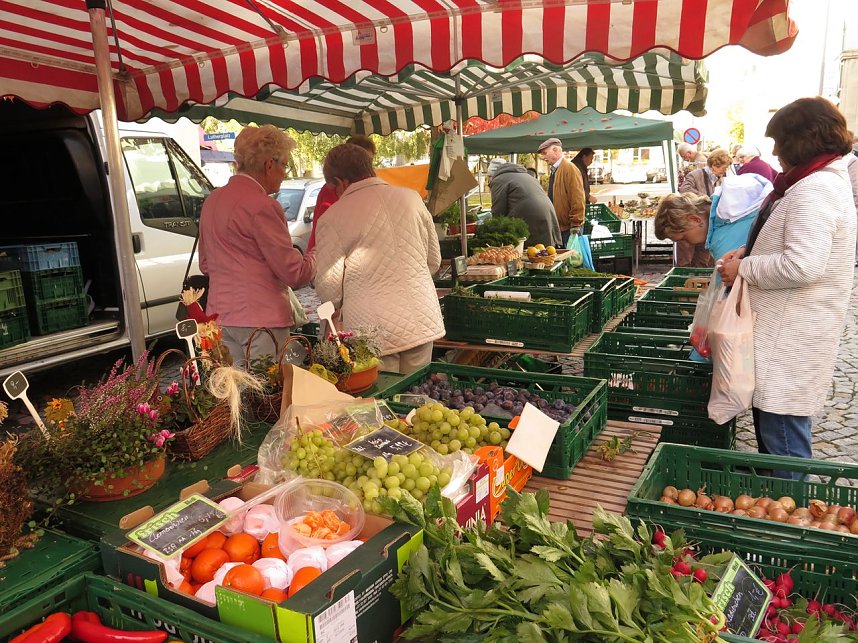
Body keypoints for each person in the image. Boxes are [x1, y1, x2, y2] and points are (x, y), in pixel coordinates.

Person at [718, 97, 856, 477]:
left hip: (790, 342)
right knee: (779, 432)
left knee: (782, 438)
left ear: (803, 139)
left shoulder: (815, 190)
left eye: (779, 141)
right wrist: (750, 249)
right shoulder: (813, 183)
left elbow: (803, 264)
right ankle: (782, 503)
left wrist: (744, 268)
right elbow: (796, 246)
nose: (775, 151)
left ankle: (789, 521)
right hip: (791, 335)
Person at [315, 144, 444, 375]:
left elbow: (329, 291)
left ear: (340, 181)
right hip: (421, 319)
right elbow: (433, 261)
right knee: (420, 398)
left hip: (372, 330)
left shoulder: (332, 218)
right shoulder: (411, 198)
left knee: (383, 401)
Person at [199, 125, 316, 366]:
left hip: (221, 316)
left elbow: (205, 264)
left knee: (236, 396)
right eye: (285, 165)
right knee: (268, 397)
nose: (285, 173)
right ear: (269, 164)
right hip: (262, 321)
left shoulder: (212, 201)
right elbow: (293, 273)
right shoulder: (262, 205)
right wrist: (315, 256)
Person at [654, 174, 773, 268]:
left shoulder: (721, 242)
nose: (688, 243)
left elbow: (725, 287)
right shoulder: (730, 198)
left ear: (694, 220)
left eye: (683, 238)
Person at [306, 135, 376, 253]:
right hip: (324, 253)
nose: (368, 167)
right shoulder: (332, 188)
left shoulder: (365, 187)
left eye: (370, 161)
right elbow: (330, 230)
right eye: (365, 161)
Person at [487, 158, 562, 249]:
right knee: (544, 252)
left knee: (529, 254)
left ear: (492, 174)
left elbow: (498, 212)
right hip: (548, 215)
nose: (489, 180)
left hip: (530, 219)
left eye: (488, 177)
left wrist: (490, 231)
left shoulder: (499, 179)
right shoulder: (526, 175)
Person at [537, 137, 585, 246]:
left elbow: (577, 198)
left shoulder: (569, 168)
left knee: (573, 261)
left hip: (570, 228)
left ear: (555, 150)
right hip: (561, 227)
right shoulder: (556, 170)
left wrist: (576, 224)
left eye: (545, 153)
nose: (543, 157)